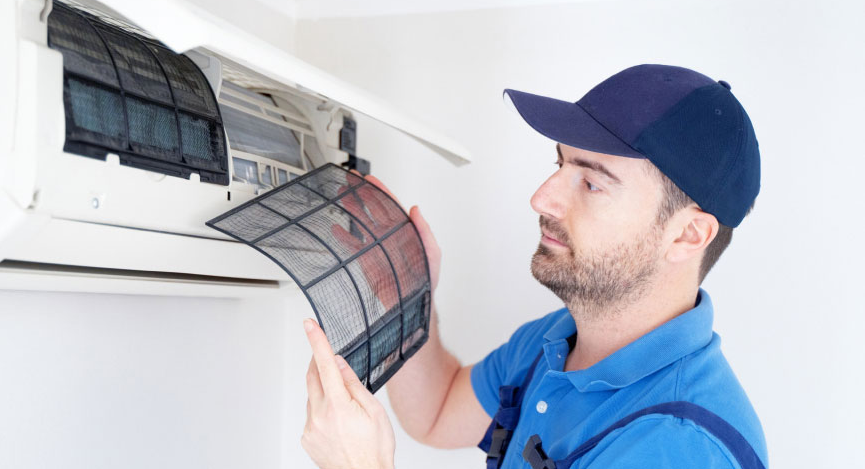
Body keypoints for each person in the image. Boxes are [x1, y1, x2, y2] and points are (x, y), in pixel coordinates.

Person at [300, 64, 768, 469]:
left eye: (592, 184)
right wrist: (404, 294)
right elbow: (437, 413)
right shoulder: (552, 343)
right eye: (560, 164)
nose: (542, 198)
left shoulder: (679, 447)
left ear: (688, 235)